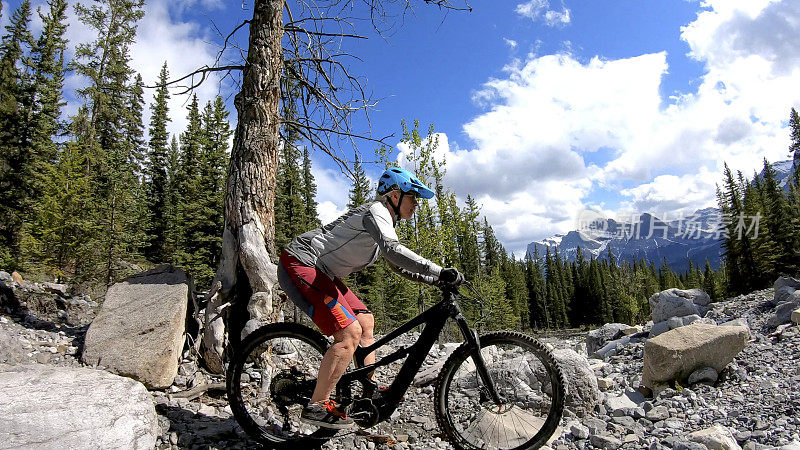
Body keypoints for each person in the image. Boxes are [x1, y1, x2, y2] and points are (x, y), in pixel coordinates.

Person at [277, 166, 464, 429]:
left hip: (323, 272)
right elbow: (394, 250)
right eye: (413, 198)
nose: (416, 205)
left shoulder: (384, 223)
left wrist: (435, 280)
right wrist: (438, 269)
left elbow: (397, 265)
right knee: (349, 332)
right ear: (396, 196)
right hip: (300, 261)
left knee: (365, 322)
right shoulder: (376, 211)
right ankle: (317, 405)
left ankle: (368, 390)